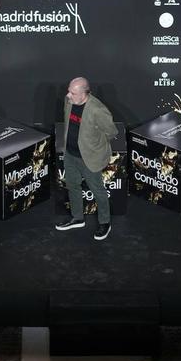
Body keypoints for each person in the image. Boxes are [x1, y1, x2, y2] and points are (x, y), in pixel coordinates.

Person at [55, 77, 118, 241]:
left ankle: (105, 222)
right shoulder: (69, 101)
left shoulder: (97, 110)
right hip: (70, 154)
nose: (68, 95)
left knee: (98, 191)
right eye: (69, 91)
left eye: (73, 93)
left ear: (84, 94)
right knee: (72, 185)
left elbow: (111, 132)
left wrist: (96, 148)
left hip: (89, 158)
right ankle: (77, 218)